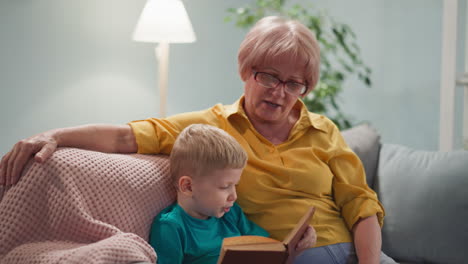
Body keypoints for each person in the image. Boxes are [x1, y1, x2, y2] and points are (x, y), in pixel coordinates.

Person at [0, 16, 396, 263]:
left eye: (294, 83)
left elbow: (361, 207)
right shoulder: (213, 129)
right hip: (297, 257)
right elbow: (128, 136)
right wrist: (52, 134)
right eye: (269, 76)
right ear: (246, 69)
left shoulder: (324, 131)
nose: (279, 92)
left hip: (358, 253)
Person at [150, 123, 315, 264]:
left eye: (235, 185)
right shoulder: (171, 227)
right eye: (224, 187)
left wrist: (295, 248)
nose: (234, 196)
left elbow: (267, 250)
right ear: (188, 187)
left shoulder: (231, 213)